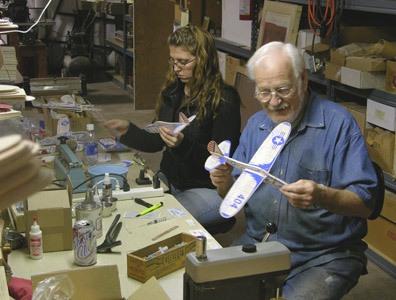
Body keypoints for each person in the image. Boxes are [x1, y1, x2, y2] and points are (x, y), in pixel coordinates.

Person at [209, 41, 378, 300]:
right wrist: (223, 183)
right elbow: (234, 195)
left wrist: (322, 195)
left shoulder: (339, 125)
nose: (274, 102)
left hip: (323, 255)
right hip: (260, 243)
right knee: (207, 288)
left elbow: (366, 204)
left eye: (283, 90)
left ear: (303, 79)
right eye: (264, 92)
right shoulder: (256, 126)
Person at [104, 24, 241, 229]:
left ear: (204, 60)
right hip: (170, 179)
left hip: (207, 188)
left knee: (159, 223)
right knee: (128, 213)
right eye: (173, 61)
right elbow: (155, 141)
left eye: (183, 62)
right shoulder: (173, 91)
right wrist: (127, 131)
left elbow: (221, 163)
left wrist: (183, 144)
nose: (176, 68)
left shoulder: (224, 100)